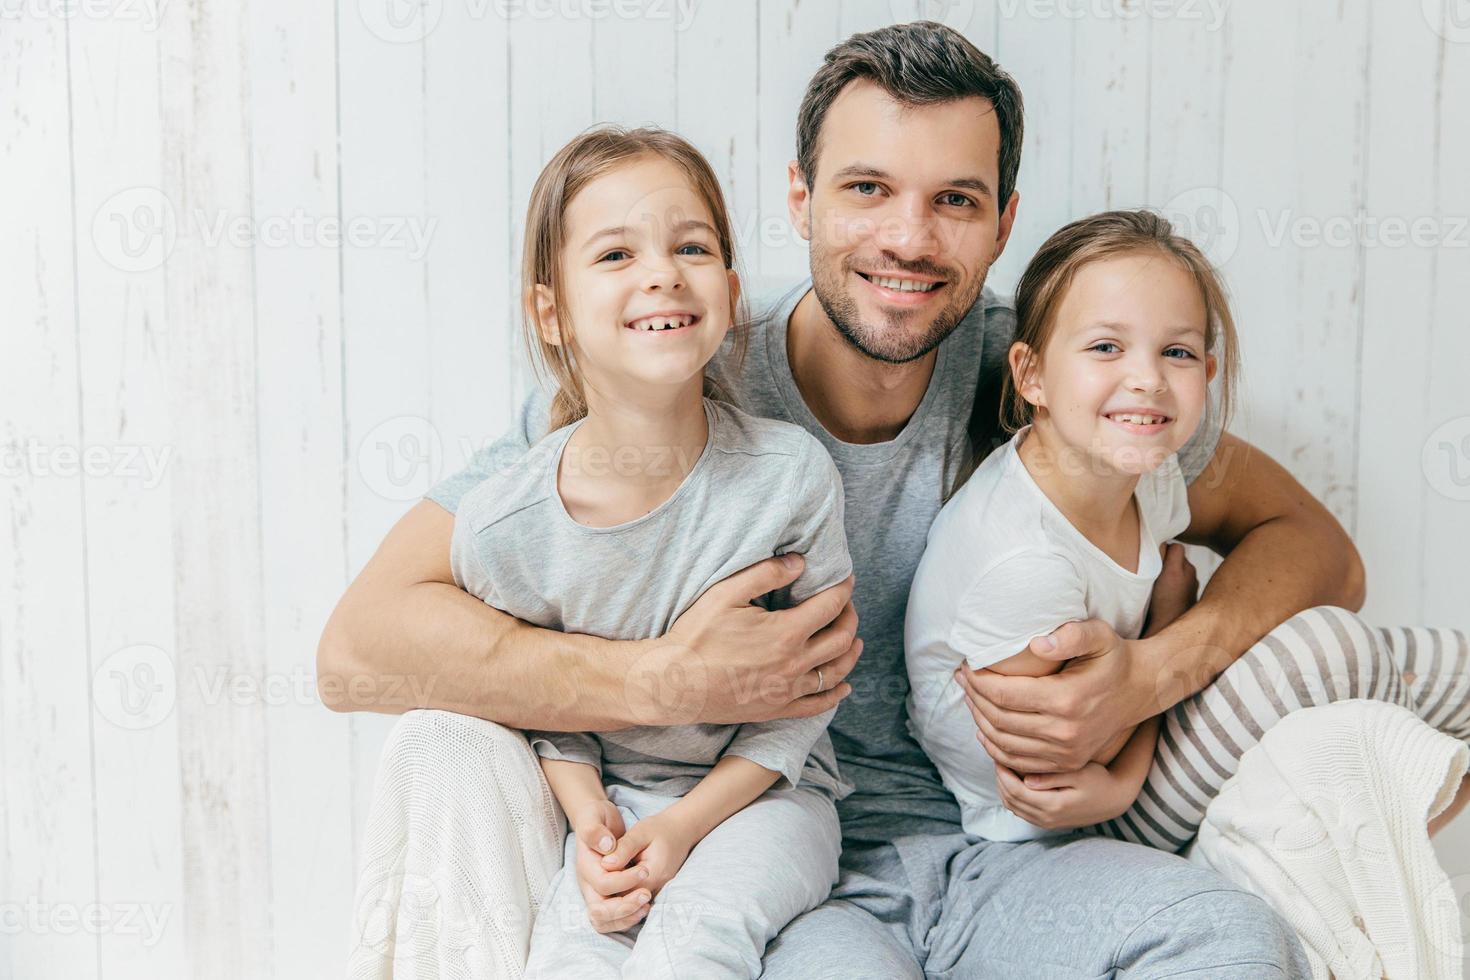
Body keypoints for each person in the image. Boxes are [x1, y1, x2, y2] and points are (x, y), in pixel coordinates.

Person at [324, 21, 1470, 978]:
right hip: (785, 858)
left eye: (956, 201)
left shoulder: (1051, 374)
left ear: (1005, 222)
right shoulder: (678, 376)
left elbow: (1315, 545)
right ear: (802, 198)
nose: (909, 240)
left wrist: (1151, 674)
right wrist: (655, 679)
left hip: (1006, 856)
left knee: (1231, 939)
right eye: (868, 188)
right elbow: (360, 648)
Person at [907, 209, 1470, 853]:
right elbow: (1059, 763)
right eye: (1105, 346)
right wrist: (1169, 620)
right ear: (1031, 374)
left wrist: (1157, 656)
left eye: (1175, 351)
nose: (1147, 378)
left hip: (1128, 751)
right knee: (1332, 650)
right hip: (1066, 818)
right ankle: (1342, 852)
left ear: (1205, 374)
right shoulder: (1021, 562)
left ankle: (1361, 840)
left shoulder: (1149, 476)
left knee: (1440, 672)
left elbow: (1333, 564)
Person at [450, 125, 852, 979]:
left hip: (768, 798)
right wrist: (594, 821)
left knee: (690, 946)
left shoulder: (789, 478)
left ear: (732, 291)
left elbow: (810, 696)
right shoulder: (503, 528)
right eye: (615, 255)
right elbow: (536, 701)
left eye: (691, 246)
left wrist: (683, 826)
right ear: (550, 312)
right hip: (617, 804)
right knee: (569, 955)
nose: (662, 272)